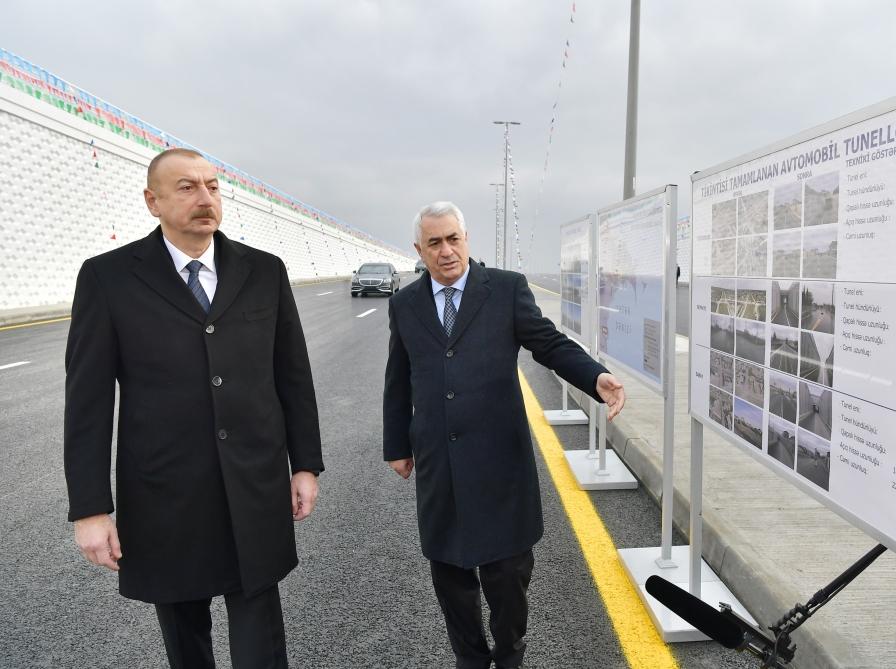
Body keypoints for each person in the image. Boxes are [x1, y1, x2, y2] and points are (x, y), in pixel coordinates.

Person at [63, 148, 324, 669]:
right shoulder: (109, 277)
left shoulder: (263, 271)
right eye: (186, 187)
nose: (205, 198)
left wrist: (306, 464)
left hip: (254, 483)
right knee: (185, 638)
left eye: (213, 186)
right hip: (165, 491)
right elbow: (88, 401)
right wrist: (91, 508)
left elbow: (292, 375)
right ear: (151, 201)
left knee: (260, 634)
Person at [383, 201, 626, 669]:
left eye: (454, 238)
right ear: (420, 250)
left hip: (500, 462)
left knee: (508, 575)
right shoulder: (405, 304)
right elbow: (399, 378)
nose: (446, 250)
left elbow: (548, 343)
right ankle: (470, 659)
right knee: (451, 574)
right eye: (435, 243)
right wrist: (398, 445)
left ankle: (510, 652)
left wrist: (595, 378)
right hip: (440, 464)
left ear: (467, 239)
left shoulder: (505, 291)